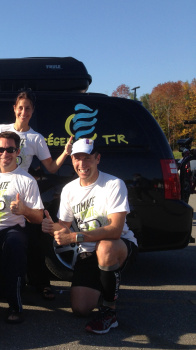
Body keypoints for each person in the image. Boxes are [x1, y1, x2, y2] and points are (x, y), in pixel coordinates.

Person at [0, 91, 73, 300]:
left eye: (27, 108)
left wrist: (66, 152)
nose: (23, 112)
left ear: (32, 111)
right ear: (14, 108)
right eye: (20, 107)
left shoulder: (35, 138)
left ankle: (41, 283)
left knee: (33, 238)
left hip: (20, 192)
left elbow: (51, 167)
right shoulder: (2, 130)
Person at [41, 138, 138, 334]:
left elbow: (115, 230)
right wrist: (52, 227)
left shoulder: (113, 184)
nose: (82, 164)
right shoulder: (69, 189)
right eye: (77, 158)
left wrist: (74, 238)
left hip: (119, 245)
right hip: (88, 251)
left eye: (87, 158)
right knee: (80, 309)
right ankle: (105, 284)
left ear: (97, 158)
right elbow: (65, 226)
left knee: (105, 247)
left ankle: (109, 311)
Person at [0, 131, 44, 323]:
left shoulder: (26, 179)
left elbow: (38, 217)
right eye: (1, 149)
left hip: (12, 233)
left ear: (17, 151)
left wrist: (24, 210)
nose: (5, 153)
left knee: (15, 243)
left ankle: (16, 305)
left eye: (10, 149)